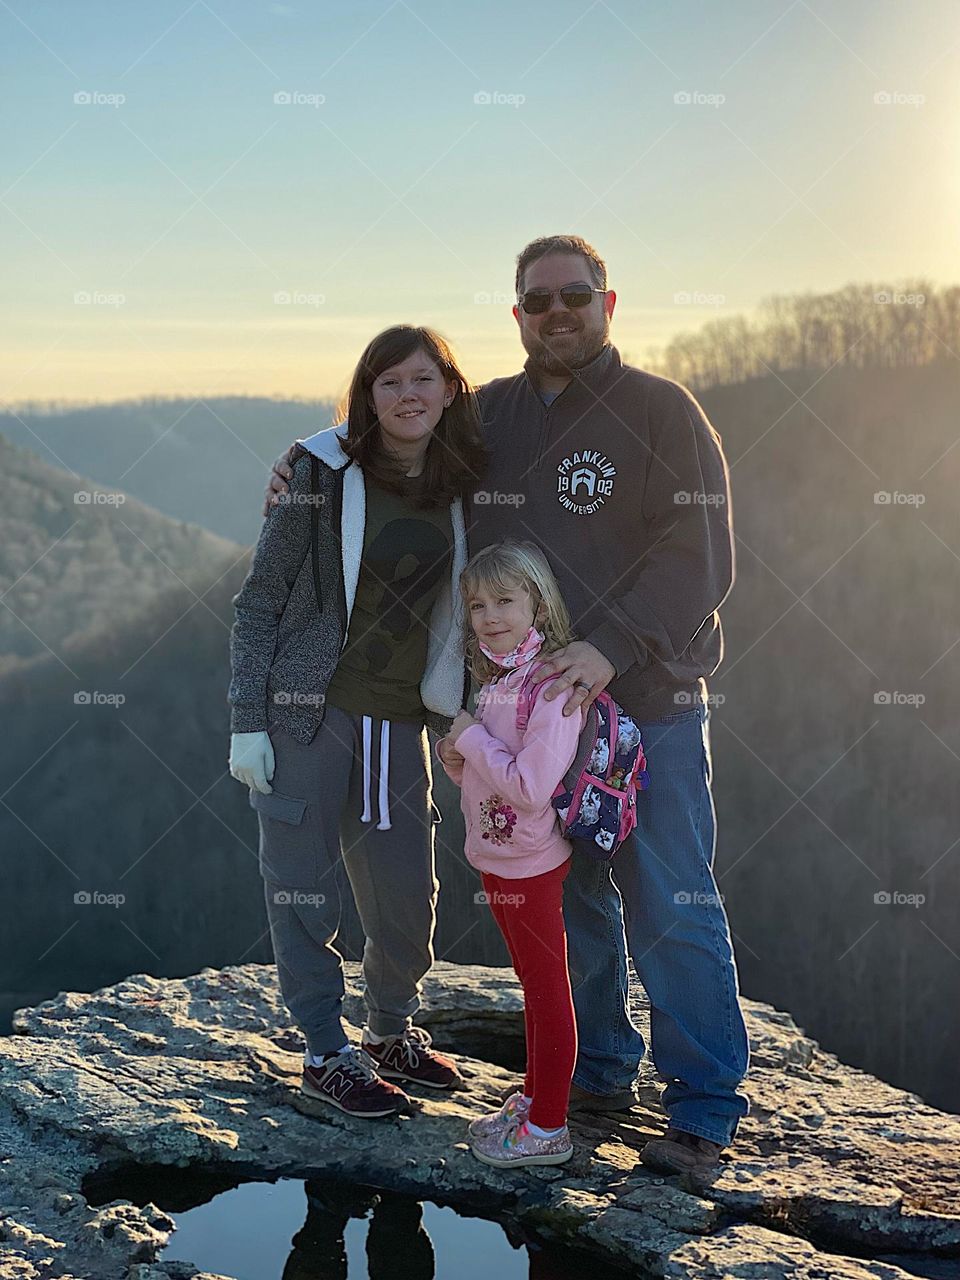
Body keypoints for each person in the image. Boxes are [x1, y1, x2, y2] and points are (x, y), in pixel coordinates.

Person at [263, 235, 750, 1175]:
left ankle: (701, 1107)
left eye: (576, 296)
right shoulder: (490, 417)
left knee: (669, 899)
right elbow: (388, 452)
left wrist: (607, 648)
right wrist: (301, 469)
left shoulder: (662, 413)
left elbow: (700, 558)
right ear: (516, 314)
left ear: (610, 301)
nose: (558, 312)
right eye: (539, 301)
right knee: (570, 905)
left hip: (642, 707)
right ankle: (599, 1068)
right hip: (522, 714)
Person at [228, 324, 487, 1118]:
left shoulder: (465, 478)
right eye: (390, 383)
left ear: (448, 388)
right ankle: (323, 1050)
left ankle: (387, 1031)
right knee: (302, 885)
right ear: (366, 395)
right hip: (307, 714)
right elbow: (259, 602)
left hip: (398, 718)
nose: (409, 396)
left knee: (407, 889)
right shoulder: (319, 473)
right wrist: (247, 721)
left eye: (423, 380)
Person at [436, 540, 585, 1169]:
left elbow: (529, 787)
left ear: (538, 606)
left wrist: (469, 735)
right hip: (497, 857)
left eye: (505, 600)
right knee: (530, 983)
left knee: (548, 989)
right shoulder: (500, 679)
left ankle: (550, 1128)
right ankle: (533, 1097)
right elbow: (490, 773)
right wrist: (458, 759)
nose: (490, 615)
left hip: (531, 864)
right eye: (476, 605)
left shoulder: (549, 687)